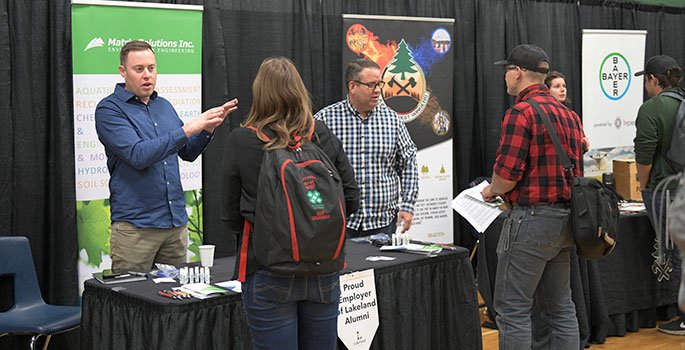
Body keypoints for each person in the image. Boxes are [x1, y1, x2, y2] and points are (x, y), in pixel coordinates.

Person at [219, 57, 359, 349]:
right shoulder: (321, 135)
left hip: (267, 269)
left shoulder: (241, 140)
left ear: (260, 94)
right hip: (324, 269)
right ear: (300, 91)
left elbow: (230, 215)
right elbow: (351, 199)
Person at [95, 40, 238, 273]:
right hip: (136, 227)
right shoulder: (109, 110)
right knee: (132, 301)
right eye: (139, 69)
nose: (147, 75)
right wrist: (189, 128)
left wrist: (208, 128)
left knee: (176, 301)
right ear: (123, 71)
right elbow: (138, 155)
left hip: (175, 224)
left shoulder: (164, 106)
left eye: (151, 68)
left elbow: (188, 153)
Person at [481, 44, 584, 349]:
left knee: (512, 311)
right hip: (566, 221)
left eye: (507, 71)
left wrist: (491, 190)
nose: (505, 77)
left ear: (518, 73)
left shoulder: (520, 113)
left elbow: (507, 174)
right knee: (562, 308)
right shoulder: (568, 114)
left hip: (531, 222)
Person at [314, 58, 419, 237]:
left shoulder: (392, 121)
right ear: (352, 86)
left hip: (383, 224)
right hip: (340, 222)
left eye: (379, 84)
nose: (378, 90)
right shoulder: (325, 120)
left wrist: (408, 205)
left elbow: (408, 163)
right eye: (371, 85)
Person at [633, 54, 684, 335]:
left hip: (665, 190)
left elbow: (644, 154)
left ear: (653, 80)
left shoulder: (651, 108)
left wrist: (643, 186)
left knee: (676, 253)